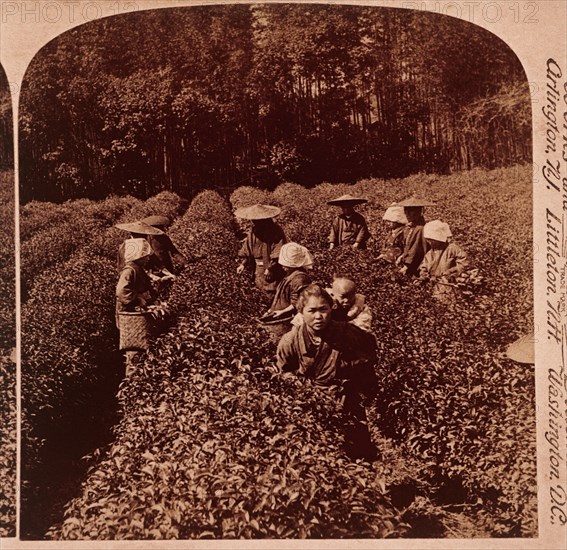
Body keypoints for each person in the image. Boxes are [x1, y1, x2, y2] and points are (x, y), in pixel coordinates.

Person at [277, 284, 379, 461]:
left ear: (331, 308)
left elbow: (369, 354)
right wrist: (304, 391)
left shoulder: (348, 332)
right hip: (311, 403)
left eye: (323, 309)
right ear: (301, 311)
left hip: (347, 400)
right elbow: (284, 372)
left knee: (357, 454)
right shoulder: (291, 340)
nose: (318, 316)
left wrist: (354, 374)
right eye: (312, 310)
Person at [115, 238, 155, 376]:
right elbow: (121, 291)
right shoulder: (130, 270)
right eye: (144, 256)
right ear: (138, 256)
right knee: (134, 346)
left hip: (137, 313)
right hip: (131, 315)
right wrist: (137, 299)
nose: (147, 259)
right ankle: (132, 379)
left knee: (141, 345)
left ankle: (139, 375)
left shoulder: (137, 269)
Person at [259, 242, 313, 340]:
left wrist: (282, 312)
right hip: (280, 314)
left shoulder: (300, 278)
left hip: (289, 320)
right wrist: (270, 311)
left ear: (293, 264)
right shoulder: (289, 275)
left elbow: (299, 303)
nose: (282, 265)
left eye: (285, 264)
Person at [236, 204, 287, 301]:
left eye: (256, 220)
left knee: (272, 289)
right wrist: (243, 264)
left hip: (272, 267)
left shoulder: (276, 231)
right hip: (258, 267)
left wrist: (270, 268)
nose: (254, 222)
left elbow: (277, 251)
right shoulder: (254, 230)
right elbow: (248, 248)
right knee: (259, 288)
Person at [418, 219, 468, 300]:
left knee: (450, 302)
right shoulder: (430, 253)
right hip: (435, 286)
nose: (430, 243)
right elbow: (424, 266)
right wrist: (423, 275)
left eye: (432, 240)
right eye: (428, 240)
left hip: (450, 285)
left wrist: (450, 273)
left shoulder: (452, 249)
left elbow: (464, 263)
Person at [394, 197, 434, 276]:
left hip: (416, 266)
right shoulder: (410, 227)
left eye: (410, 211)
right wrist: (402, 256)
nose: (407, 214)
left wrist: (407, 266)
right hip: (409, 263)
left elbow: (416, 251)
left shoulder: (420, 229)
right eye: (406, 210)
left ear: (419, 212)